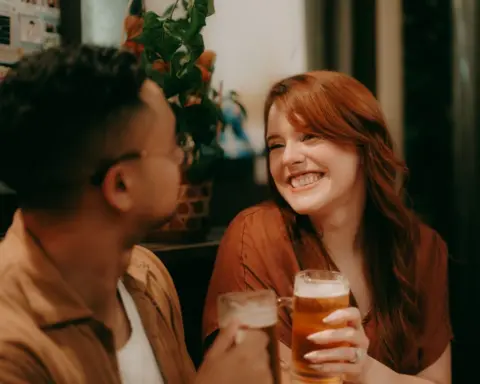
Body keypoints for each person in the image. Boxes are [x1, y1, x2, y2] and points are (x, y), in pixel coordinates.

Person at [0, 45, 273, 384]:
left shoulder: (146, 275)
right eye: (175, 145)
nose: (181, 159)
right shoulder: (11, 348)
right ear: (121, 186)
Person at [203, 71, 452, 384]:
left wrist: (364, 370)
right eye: (276, 145)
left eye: (309, 136)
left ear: (364, 145)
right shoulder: (254, 236)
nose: (289, 158)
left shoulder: (420, 247)